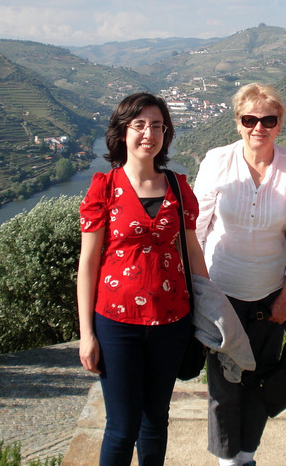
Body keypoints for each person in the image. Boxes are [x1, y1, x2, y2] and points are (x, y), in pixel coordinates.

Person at [77, 92, 210, 466]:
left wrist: (209, 309)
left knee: (156, 421)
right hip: (116, 325)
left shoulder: (178, 188)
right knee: (122, 426)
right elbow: (88, 264)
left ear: (166, 134)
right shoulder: (104, 188)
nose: (148, 133)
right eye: (139, 125)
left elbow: (193, 252)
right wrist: (87, 334)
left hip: (172, 322)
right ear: (123, 132)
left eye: (157, 126)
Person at [194, 83, 286, 466]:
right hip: (221, 291)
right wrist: (202, 292)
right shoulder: (217, 161)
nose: (259, 127)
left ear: (280, 123)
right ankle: (227, 461)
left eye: (268, 119)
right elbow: (196, 230)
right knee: (224, 385)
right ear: (238, 123)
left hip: (270, 295)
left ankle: (247, 456)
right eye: (250, 119)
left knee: (260, 381)